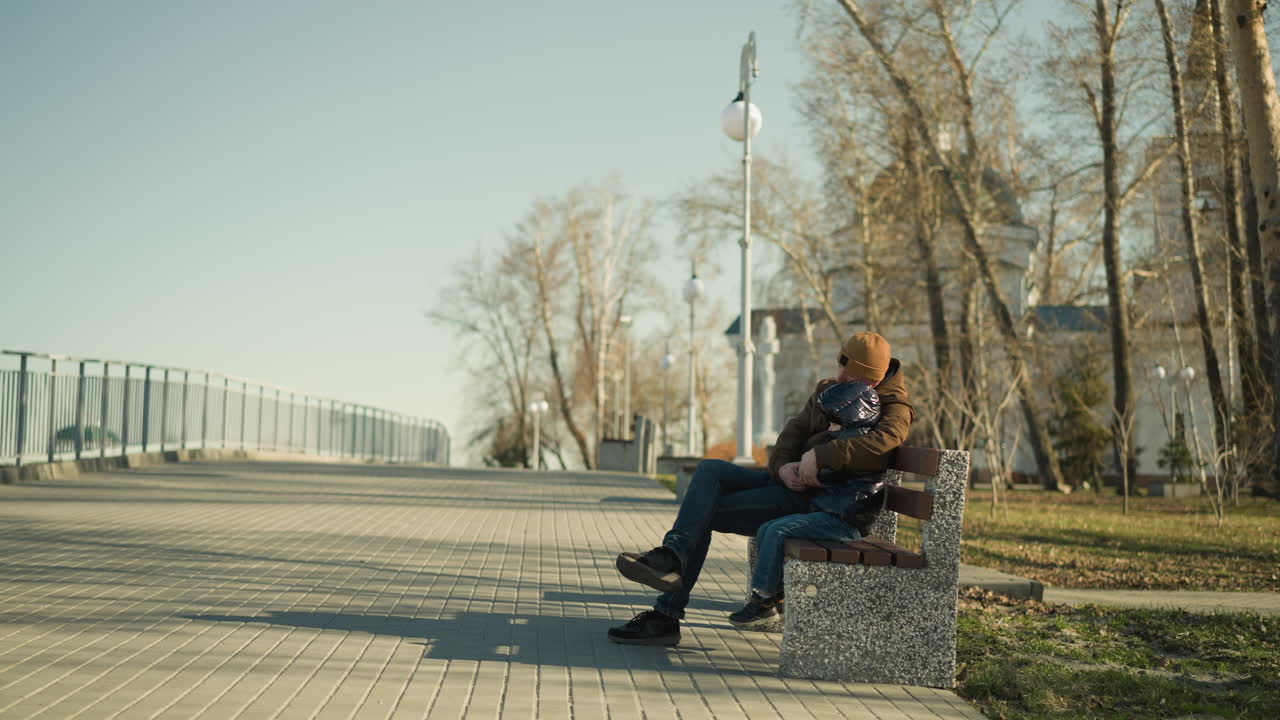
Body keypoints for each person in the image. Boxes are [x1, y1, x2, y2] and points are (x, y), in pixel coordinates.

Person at [608, 331, 914, 646]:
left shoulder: (895, 408)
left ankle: (665, 612)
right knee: (710, 470)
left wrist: (820, 456)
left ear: (872, 380)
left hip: (812, 502)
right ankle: (672, 554)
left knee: (703, 514)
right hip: (786, 481)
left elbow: (884, 443)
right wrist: (782, 466)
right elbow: (793, 432)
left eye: (849, 375)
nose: (839, 378)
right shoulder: (829, 390)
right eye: (840, 367)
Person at [727, 379, 887, 629]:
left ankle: (762, 601)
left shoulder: (852, 444)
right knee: (767, 528)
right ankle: (775, 596)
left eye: (834, 422)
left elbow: (825, 474)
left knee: (777, 530)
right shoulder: (846, 440)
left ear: (852, 417)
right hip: (832, 515)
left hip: (844, 523)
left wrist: (802, 467)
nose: (829, 428)